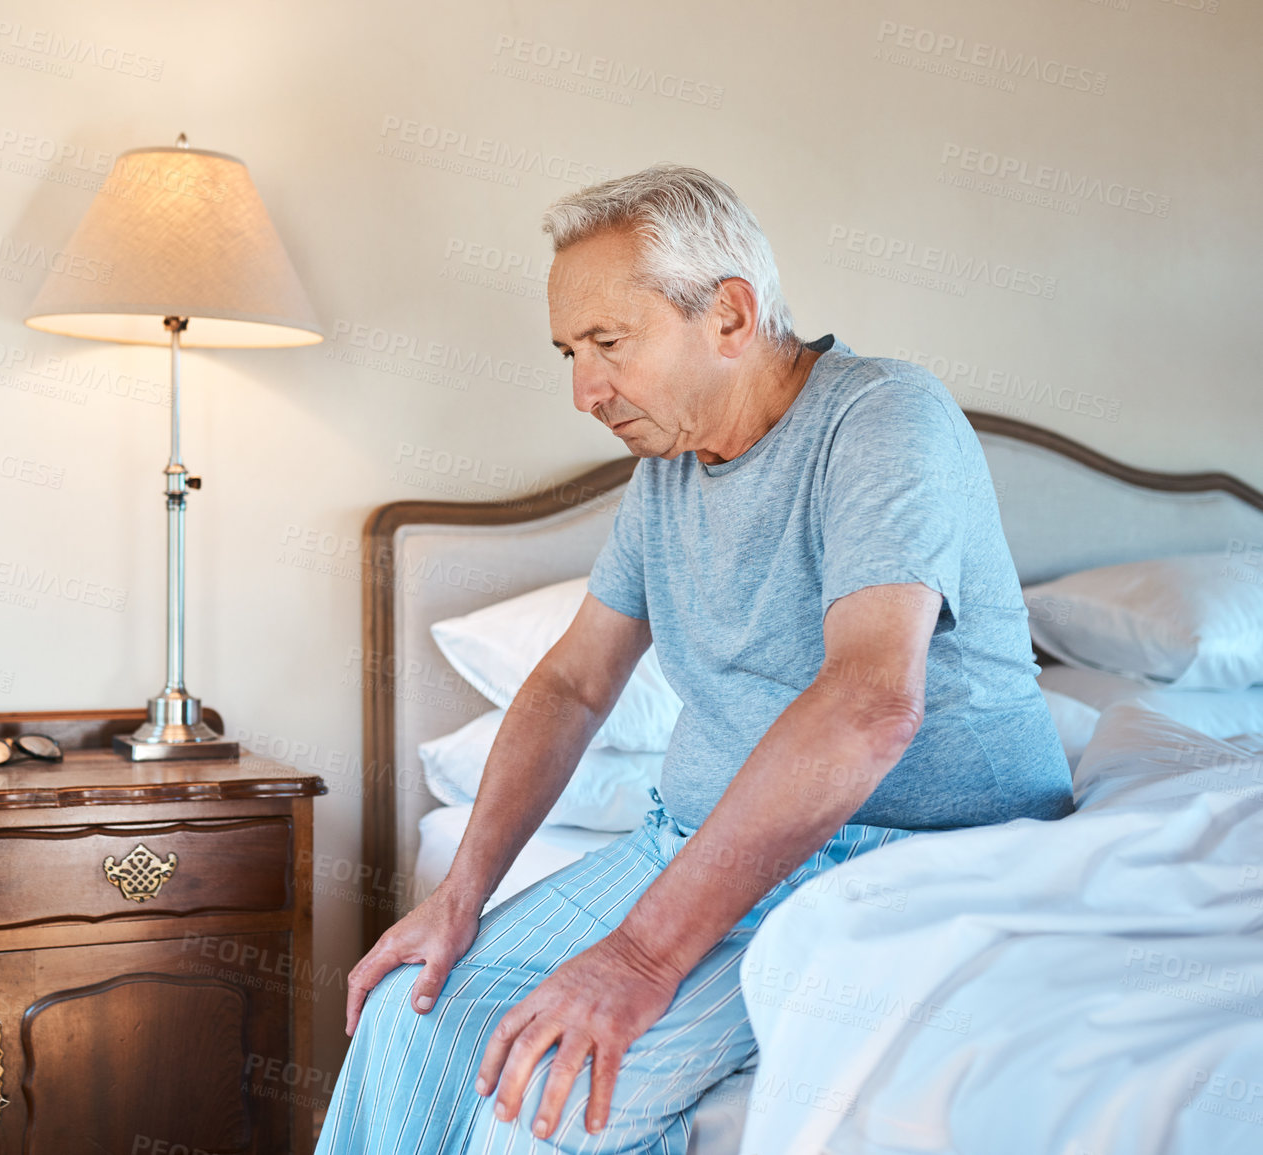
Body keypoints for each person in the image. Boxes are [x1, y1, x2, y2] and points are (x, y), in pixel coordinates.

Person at [313, 164, 1072, 1153]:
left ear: (728, 315)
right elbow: (573, 683)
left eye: (608, 344)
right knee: (407, 1020)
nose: (585, 391)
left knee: (542, 1099)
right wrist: (459, 898)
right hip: (686, 842)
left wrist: (637, 957)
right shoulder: (668, 471)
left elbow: (870, 705)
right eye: (569, 353)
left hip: (889, 863)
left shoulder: (885, 417)